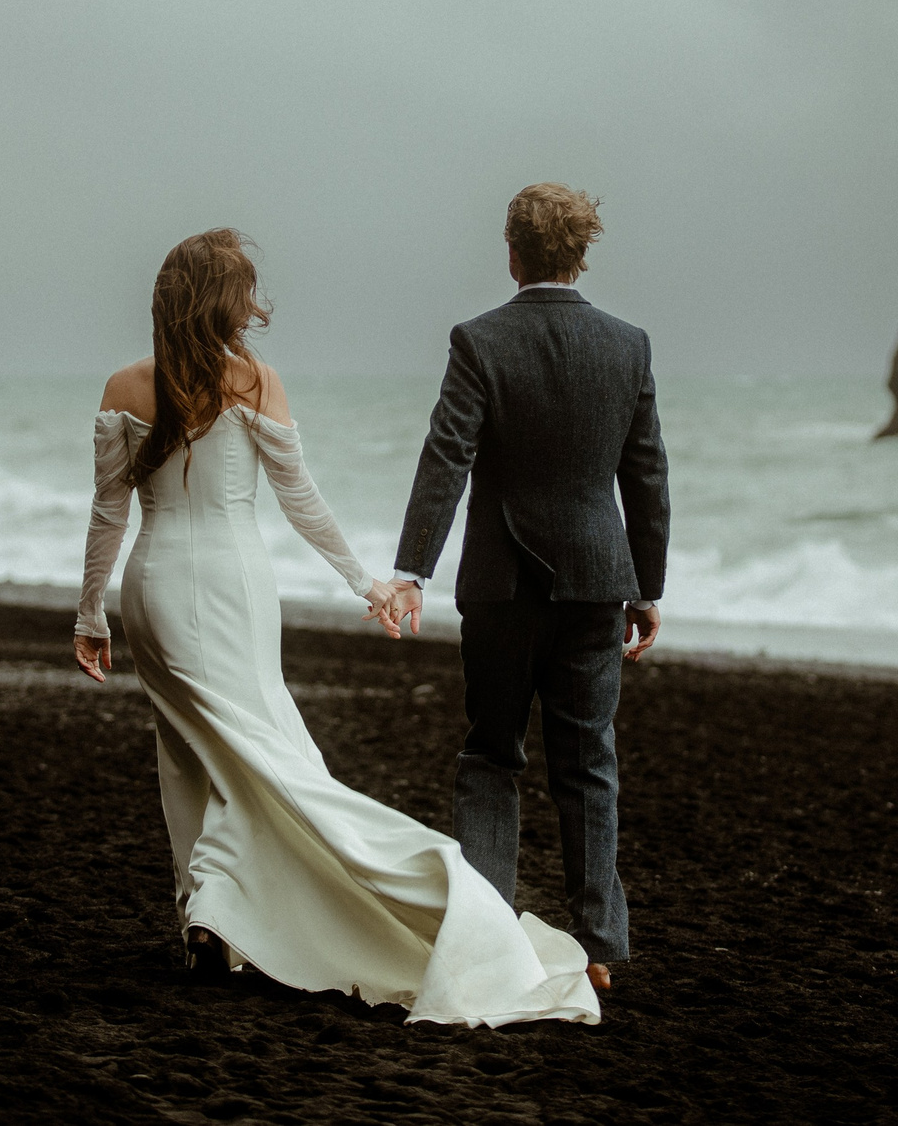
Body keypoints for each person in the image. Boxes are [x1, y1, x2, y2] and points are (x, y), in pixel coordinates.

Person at [73, 228, 599, 1028]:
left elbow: (109, 512)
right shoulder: (253, 381)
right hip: (232, 585)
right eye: (244, 292)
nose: (254, 306)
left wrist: (90, 610)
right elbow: (301, 500)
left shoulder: (123, 385)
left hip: (151, 589)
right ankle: (224, 909)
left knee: (195, 753)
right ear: (221, 302)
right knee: (261, 753)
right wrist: (367, 582)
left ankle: (207, 915)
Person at [383, 184, 669, 996]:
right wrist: (647, 585)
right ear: (582, 252)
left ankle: (484, 939)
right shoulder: (628, 345)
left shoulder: (479, 340)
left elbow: (447, 455)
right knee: (588, 762)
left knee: (490, 755)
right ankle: (599, 944)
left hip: (501, 584)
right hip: (597, 581)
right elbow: (646, 472)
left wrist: (412, 569)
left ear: (512, 251)